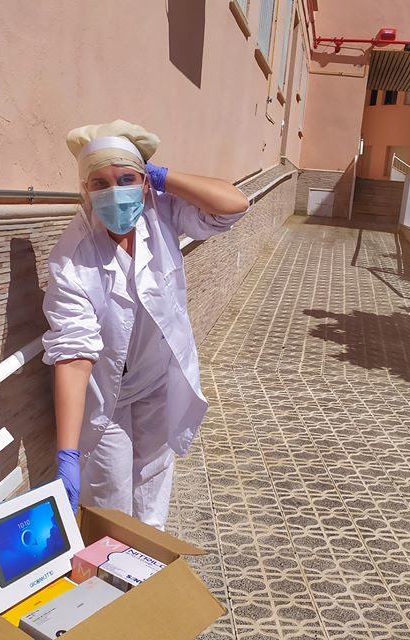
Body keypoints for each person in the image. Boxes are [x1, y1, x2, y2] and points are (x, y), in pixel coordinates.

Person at [42, 120, 249, 529]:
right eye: (99, 182)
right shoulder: (71, 258)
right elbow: (74, 353)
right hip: (109, 398)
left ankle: (147, 569)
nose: (114, 190)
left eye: (126, 178)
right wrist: (66, 453)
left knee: (153, 483)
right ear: (84, 190)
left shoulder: (162, 214)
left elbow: (233, 205)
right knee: (110, 498)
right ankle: (111, 582)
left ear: (143, 183)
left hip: (157, 379)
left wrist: (163, 178)